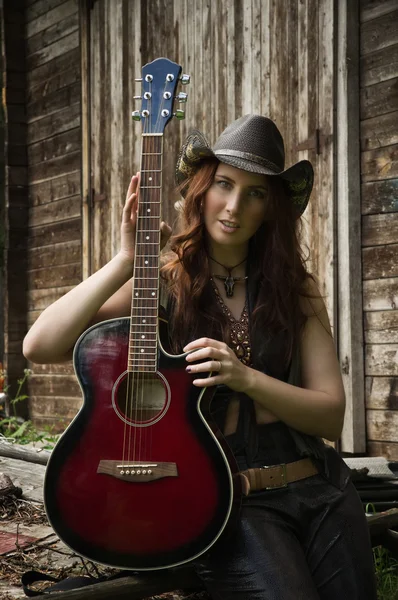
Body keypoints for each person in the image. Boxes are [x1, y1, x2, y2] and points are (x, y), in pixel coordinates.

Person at [23, 114, 376, 599]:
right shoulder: (164, 285)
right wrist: (125, 261)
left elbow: (331, 416)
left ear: (270, 207)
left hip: (322, 491)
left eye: (254, 193)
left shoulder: (296, 291)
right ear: (201, 191)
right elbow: (40, 345)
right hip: (233, 501)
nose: (233, 207)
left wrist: (245, 377)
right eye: (224, 185)